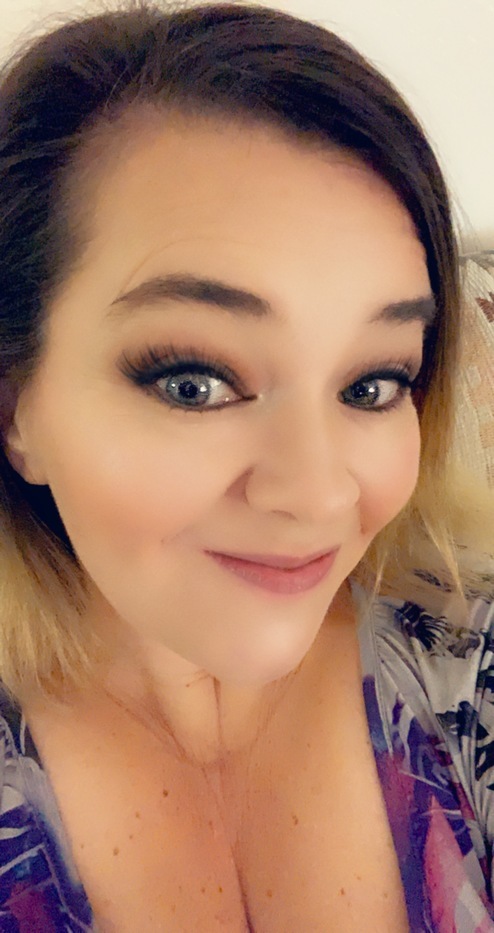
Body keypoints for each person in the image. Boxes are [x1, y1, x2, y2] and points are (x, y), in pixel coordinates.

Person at [0, 1, 492, 929]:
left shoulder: (472, 670)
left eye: (373, 383)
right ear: (15, 406)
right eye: (193, 382)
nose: (318, 492)